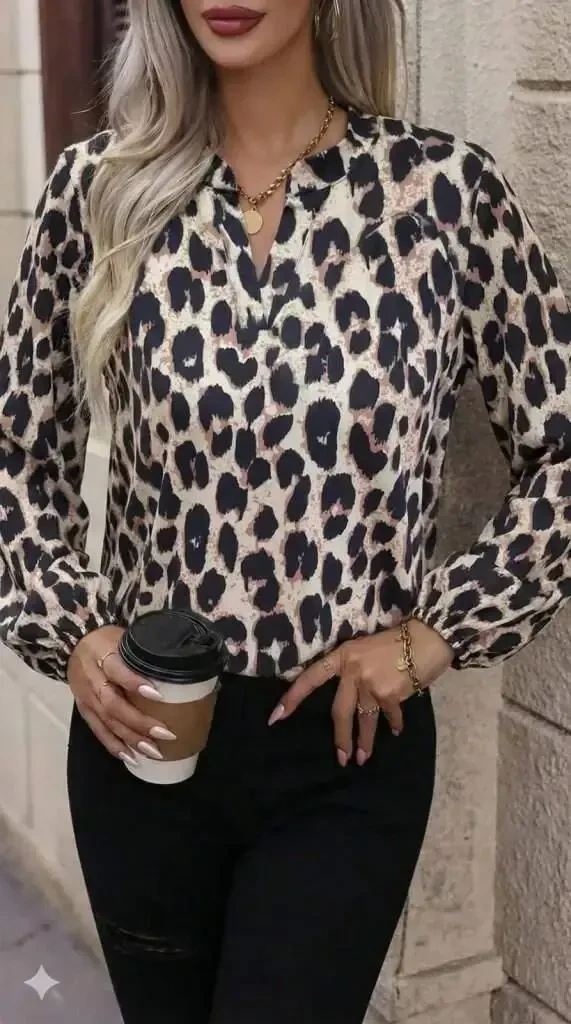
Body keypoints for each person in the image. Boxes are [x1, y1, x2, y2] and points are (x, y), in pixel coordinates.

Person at [1, 0, 570, 1020]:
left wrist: (438, 632)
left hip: (345, 758)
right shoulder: (101, 191)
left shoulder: (442, 195)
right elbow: (15, 454)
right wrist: (71, 626)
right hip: (143, 740)